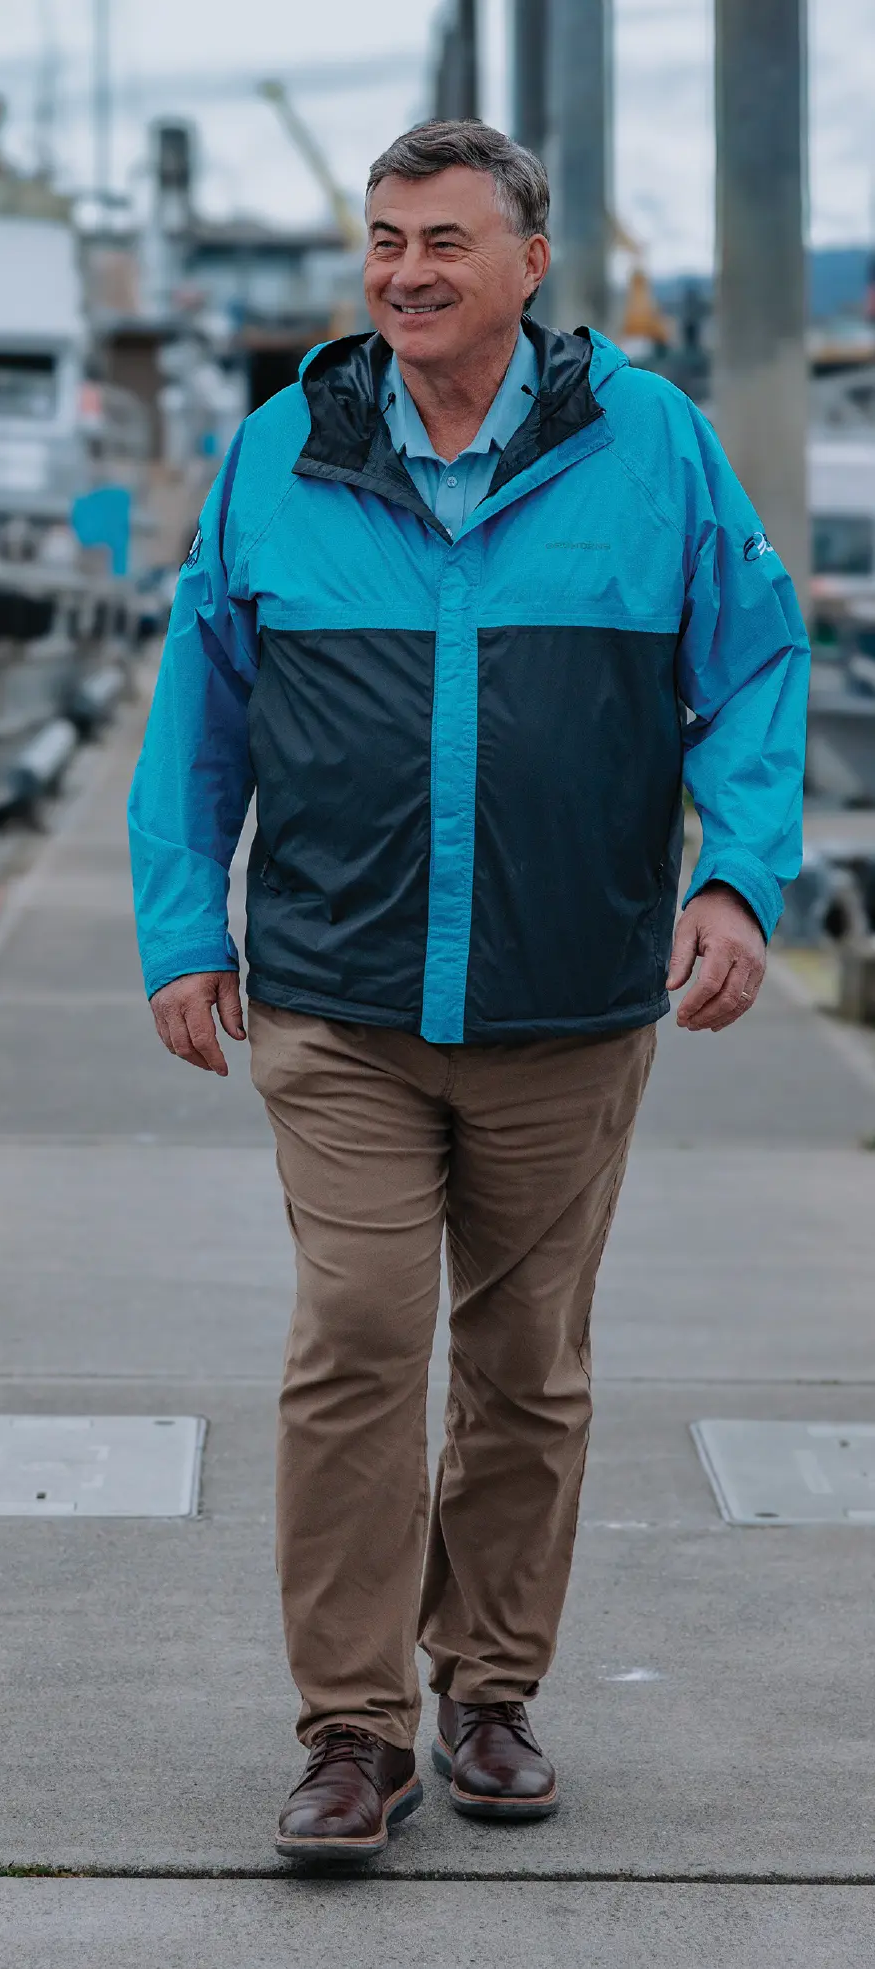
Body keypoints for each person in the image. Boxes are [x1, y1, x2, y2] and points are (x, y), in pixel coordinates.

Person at [127, 119, 807, 1868]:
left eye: (442, 239)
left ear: (528, 267)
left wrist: (735, 876)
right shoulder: (282, 449)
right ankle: (352, 1735)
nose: (404, 270)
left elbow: (752, 675)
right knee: (356, 1341)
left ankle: (488, 1692)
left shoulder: (656, 450)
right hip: (341, 1002)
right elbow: (199, 706)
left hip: (567, 1009)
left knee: (526, 1369)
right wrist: (180, 924)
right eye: (381, 238)